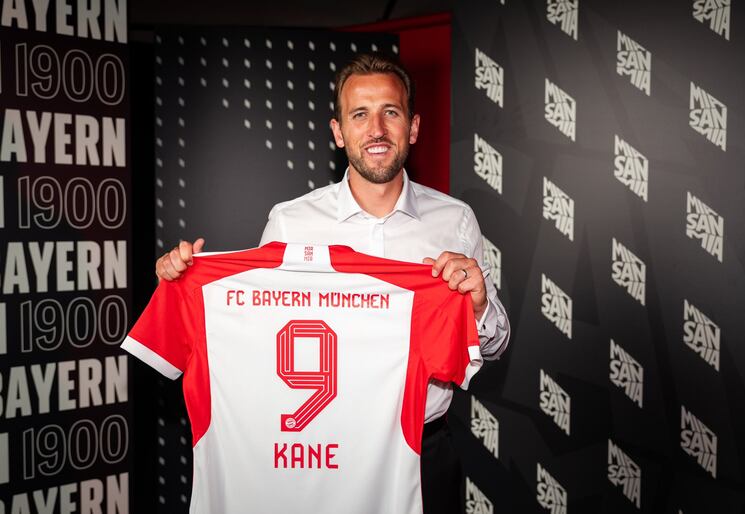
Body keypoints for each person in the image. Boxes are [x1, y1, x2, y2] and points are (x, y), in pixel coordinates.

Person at [154, 53, 509, 514]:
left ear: (414, 126)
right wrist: (187, 287)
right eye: (360, 114)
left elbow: (494, 347)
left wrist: (479, 306)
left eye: (391, 112)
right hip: (319, 459)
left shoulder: (455, 219)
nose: (376, 128)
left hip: (424, 453)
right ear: (339, 132)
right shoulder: (290, 221)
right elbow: (254, 339)